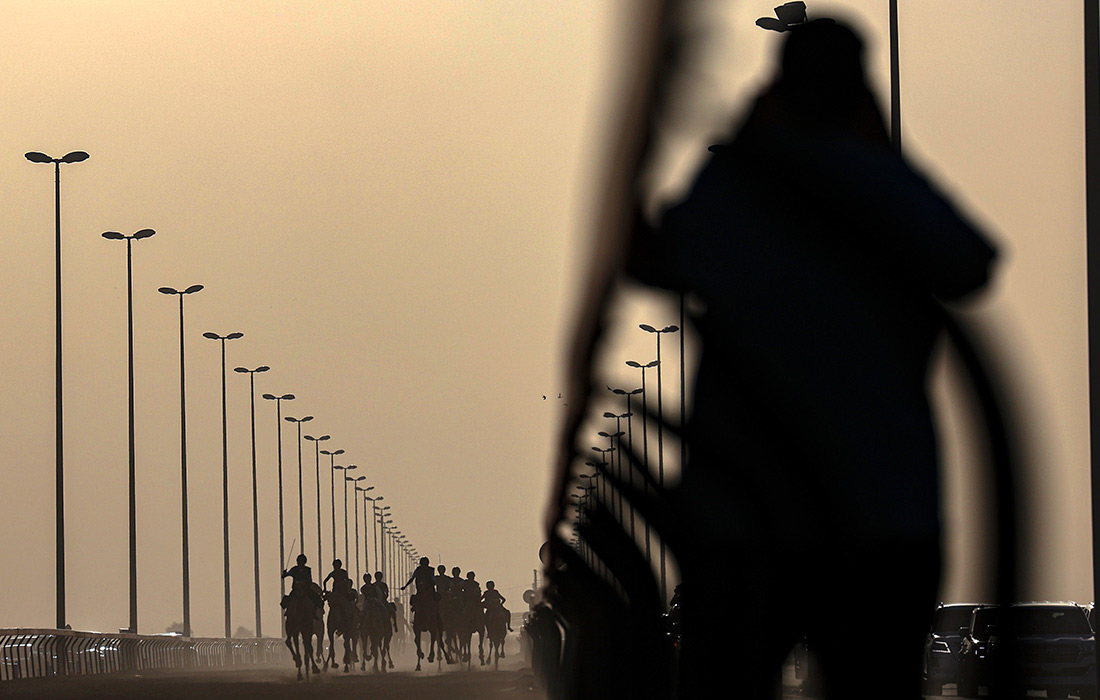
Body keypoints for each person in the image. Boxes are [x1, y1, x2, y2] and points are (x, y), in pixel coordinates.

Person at [621, 18, 997, 700]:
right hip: (882, 512)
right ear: (860, 97)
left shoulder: (738, 186)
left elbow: (652, 257)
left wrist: (747, 142)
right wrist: (880, 154)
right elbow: (969, 262)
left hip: (750, 520)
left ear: (777, 90)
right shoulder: (881, 184)